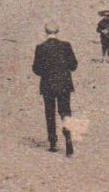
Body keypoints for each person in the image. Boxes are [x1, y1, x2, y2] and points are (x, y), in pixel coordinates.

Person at [32, 24, 79, 156]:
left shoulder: (40, 47)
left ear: (45, 31)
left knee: (50, 113)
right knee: (65, 111)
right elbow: (73, 65)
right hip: (64, 83)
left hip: (48, 84)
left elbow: (36, 69)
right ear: (58, 31)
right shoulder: (66, 45)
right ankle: (68, 137)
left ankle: (53, 142)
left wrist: (46, 72)